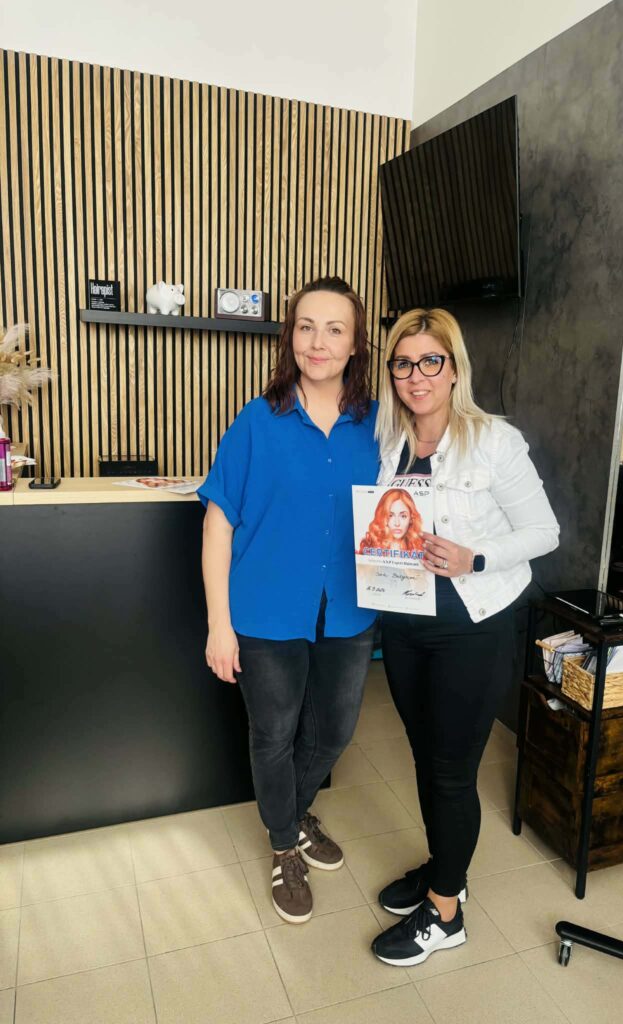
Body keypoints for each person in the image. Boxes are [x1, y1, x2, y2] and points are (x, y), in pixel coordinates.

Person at [369, 308, 559, 966]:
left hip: (471, 630)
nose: (416, 376)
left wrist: (473, 557)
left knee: (451, 772)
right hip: (404, 627)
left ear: (454, 370)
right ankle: (443, 868)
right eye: (403, 363)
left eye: (432, 361)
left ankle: (445, 913)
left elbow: (545, 533)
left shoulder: (494, 441)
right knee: (427, 759)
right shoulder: (387, 441)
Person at [198, 276, 379, 925]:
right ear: (290, 337)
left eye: (334, 329)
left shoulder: (378, 425)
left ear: (356, 344)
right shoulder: (258, 420)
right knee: (273, 734)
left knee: (333, 731)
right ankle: (283, 845)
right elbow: (218, 524)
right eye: (306, 327)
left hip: (349, 609)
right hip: (266, 609)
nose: (318, 342)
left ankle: (295, 812)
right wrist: (219, 625)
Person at [358, 487, 425, 555]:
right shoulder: (368, 548)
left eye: (403, 516)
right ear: (382, 517)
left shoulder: (421, 549)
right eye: (390, 516)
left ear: (411, 518)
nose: (397, 523)